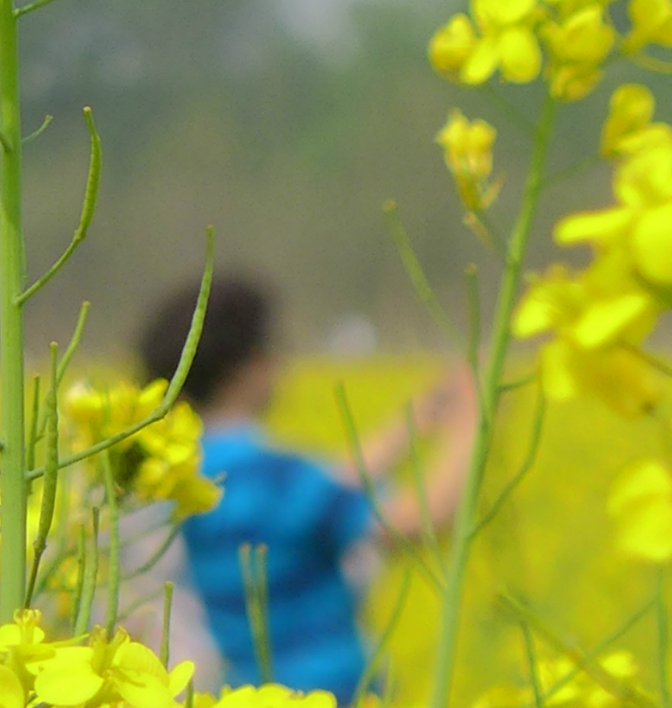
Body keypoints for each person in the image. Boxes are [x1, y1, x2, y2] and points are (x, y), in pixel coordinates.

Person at [137, 276, 477, 699]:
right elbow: (412, 523)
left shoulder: (182, 472)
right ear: (244, 367)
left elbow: (333, 485)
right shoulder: (272, 476)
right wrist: (471, 425)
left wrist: (417, 418)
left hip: (247, 692)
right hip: (328, 690)